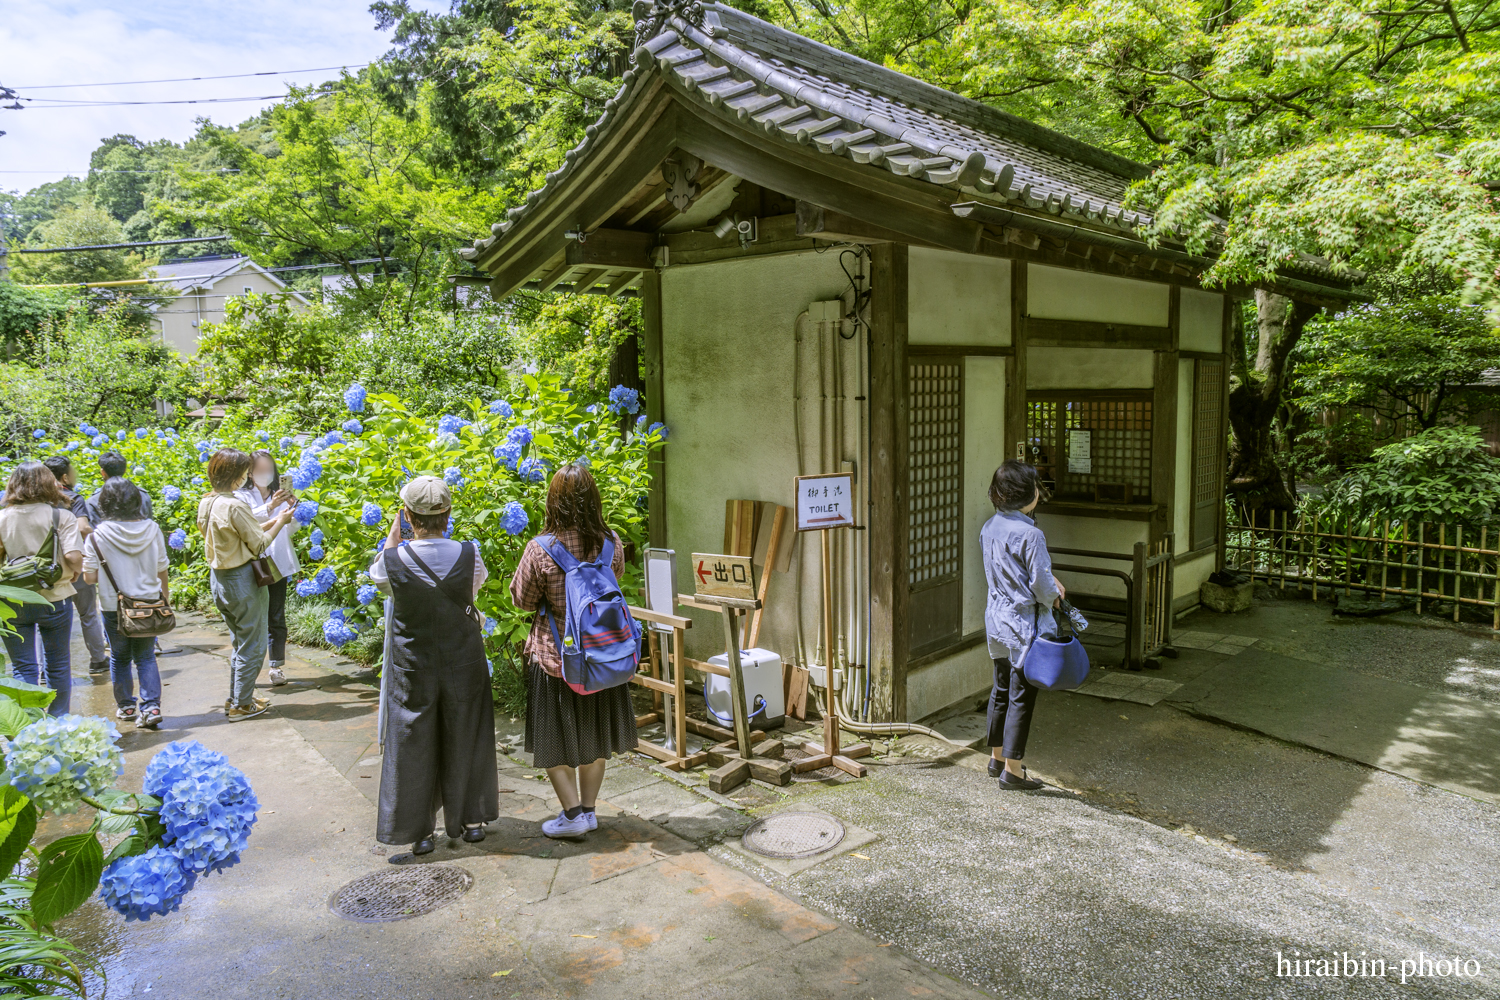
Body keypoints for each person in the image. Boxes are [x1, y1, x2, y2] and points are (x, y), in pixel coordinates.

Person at [369, 476, 498, 856]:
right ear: (449, 513)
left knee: (413, 741)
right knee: (468, 732)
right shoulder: (469, 554)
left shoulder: (391, 560)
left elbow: (382, 580)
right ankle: (471, 822)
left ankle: (420, 831)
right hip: (463, 658)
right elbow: (470, 593)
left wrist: (395, 535)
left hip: (414, 664)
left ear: (407, 516)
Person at [510, 463, 637, 840]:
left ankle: (572, 814)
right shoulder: (611, 542)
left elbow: (522, 601)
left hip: (556, 661)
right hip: (602, 658)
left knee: (556, 743)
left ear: (553, 502)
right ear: (594, 500)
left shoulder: (540, 549)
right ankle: (590, 811)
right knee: (595, 739)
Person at [981, 460, 1065, 791]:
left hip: (996, 619)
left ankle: (997, 757)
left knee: (1001, 687)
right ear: (1027, 495)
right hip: (1022, 624)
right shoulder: (1031, 534)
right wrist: (1055, 596)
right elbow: (1043, 587)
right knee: (1021, 692)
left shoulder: (990, 526)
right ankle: (1013, 771)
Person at [196, 449, 296, 722]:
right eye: (244, 471)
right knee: (253, 644)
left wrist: (275, 518)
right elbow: (259, 543)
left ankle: (239, 697)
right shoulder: (235, 505)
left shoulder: (209, 502)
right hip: (243, 580)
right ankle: (241, 705)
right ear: (236, 476)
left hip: (220, 579)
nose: (247, 476)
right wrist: (282, 521)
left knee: (240, 641)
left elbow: (232, 534)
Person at [82, 478, 170, 729]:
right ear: (136, 500)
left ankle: (126, 706)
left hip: (114, 606)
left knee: (119, 657)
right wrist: (165, 596)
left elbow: (89, 577)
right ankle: (152, 707)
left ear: (105, 503)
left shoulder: (97, 536)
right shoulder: (152, 528)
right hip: (149, 603)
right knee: (145, 657)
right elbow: (162, 568)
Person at [0, 462, 85, 715]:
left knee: (23, 668)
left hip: (13, 601)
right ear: (49, 483)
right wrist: (76, 572)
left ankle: (29, 726)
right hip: (55, 598)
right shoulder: (61, 516)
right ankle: (58, 721)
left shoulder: (2, 517)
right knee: (58, 665)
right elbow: (73, 557)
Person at [235, 450, 298, 687]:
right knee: (252, 617)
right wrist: (271, 506)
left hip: (276, 563)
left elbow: (291, 530)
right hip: (250, 563)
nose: (265, 474)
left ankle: (276, 667)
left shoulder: (281, 495)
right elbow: (246, 522)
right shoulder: (239, 497)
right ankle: (247, 668)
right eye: (260, 470)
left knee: (276, 615)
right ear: (250, 473)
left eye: (269, 470)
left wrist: (292, 510)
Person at [42, 456, 109, 676]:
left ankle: (45, 670)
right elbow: (82, 528)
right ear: (64, 476)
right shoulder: (72, 498)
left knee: (46, 621)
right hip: (74, 564)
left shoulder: (37, 499)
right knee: (88, 614)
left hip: (46, 570)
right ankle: (98, 660)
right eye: (73, 472)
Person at [88, 451, 153, 522]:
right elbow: (148, 522)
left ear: (103, 472)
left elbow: (93, 529)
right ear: (124, 470)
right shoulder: (143, 495)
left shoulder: (93, 501)